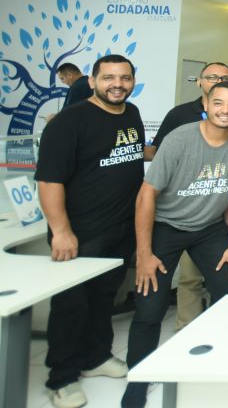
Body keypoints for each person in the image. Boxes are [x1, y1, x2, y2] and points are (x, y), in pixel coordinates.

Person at [120, 81, 228, 408]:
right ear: (206, 105)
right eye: (218, 103)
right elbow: (146, 195)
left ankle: (223, 364)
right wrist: (144, 254)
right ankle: (138, 377)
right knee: (150, 307)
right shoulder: (180, 139)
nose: (226, 110)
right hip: (166, 226)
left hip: (210, 228)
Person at [35, 55, 145, 408]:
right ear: (93, 81)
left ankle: (95, 357)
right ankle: (62, 378)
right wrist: (61, 231)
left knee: (103, 298)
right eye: (109, 77)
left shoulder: (131, 114)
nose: (117, 84)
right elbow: (49, 181)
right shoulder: (69, 122)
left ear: (132, 81)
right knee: (71, 305)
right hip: (80, 232)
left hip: (120, 229)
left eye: (124, 78)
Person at [143, 61, 228, 329]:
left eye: (226, 78)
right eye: (212, 77)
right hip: (178, 212)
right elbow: (157, 154)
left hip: (217, 212)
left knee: (223, 279)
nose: (219, 81)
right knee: (189, 279)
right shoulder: (180, 115)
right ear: (200, 82)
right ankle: (186, 329)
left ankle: (217, 333)